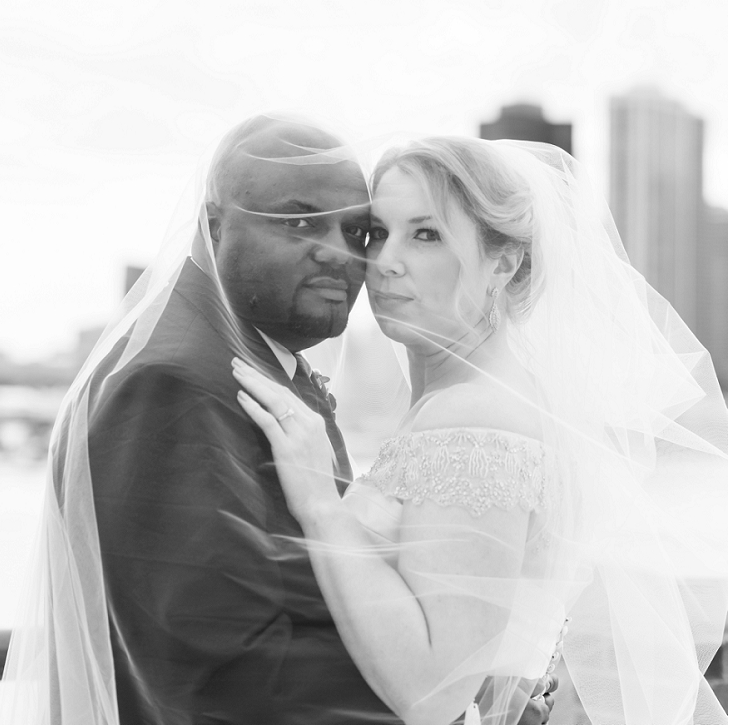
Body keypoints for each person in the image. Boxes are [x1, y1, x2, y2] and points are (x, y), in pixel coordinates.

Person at [0, 116, 566, 724]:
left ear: (503, 265)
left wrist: (479, 684)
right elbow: (219, 663)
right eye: (299, 222)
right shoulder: (171, 384)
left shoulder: (455, 411)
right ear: (214, 227)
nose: (355, 257)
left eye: (357, 229)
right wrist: (475, 697)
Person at [235, 135, 727, 724]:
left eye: (426, 234)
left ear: (504, 262)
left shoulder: (473, 417)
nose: (383, 260)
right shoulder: (496, 400)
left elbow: (432, 690)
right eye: (377, 232)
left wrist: (320, 503)